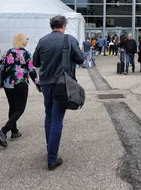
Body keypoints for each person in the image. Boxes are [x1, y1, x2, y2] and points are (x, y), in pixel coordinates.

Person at [33, 15, 85, 171]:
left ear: (52, 26)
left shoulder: (42, 40)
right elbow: (80, 59)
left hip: (46, 83)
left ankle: (51, 149)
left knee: (49, 115)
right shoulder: (69, 40)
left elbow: (35, 63)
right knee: (57, 118)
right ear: (63, 25)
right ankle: (52, 158)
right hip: (62, 84)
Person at [0, 33, 41, 147]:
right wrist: (38, 84)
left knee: (12, 107)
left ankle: (14, 131)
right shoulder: (26, 54)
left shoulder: (7, 52)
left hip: (8, 84)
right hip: (20, 84)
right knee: (20, 108)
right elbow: (31, 70)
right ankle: (4, 131)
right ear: (23, 41)